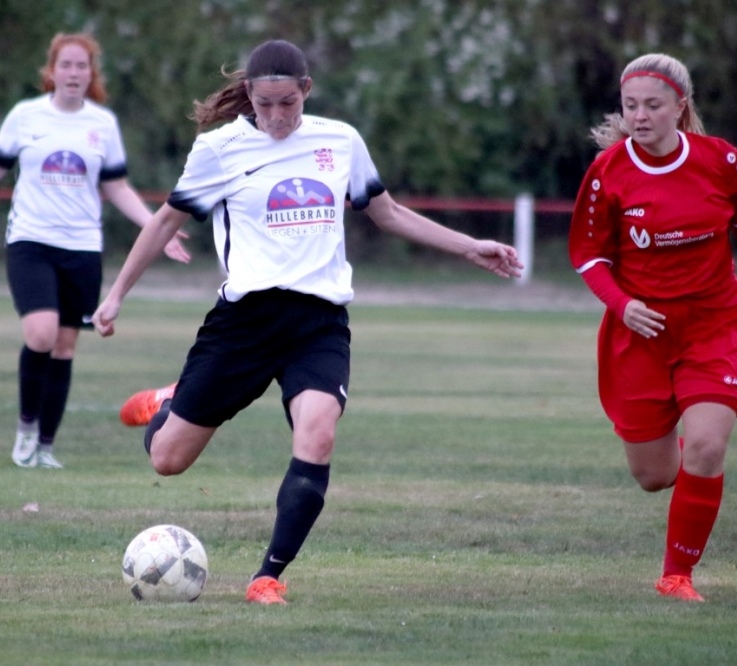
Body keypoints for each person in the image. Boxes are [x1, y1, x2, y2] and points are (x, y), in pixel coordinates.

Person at [91, 39, 523, 604]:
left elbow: (388, 213)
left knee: (317, 435)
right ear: (249, 95)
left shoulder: (340, 142)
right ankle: (169, 401)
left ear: (307, 91)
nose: (276, 116)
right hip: (245, 323)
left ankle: (267, 576)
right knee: (167, 460)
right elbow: (163, 223)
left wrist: (470, 247)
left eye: (288, 103)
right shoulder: (219, 149)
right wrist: (116, 294)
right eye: (264, 104)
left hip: (318, 322)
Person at [0, 32, 190, 469]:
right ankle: (26, 428)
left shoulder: (102, 124)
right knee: (41, 334)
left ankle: (46, 446)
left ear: (91, 74)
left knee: (64, 347)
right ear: (51, 71)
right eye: (65, 65)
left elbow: (117, 187)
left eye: (81, 66)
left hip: (82, 247)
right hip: (30, 241)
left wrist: (157, 229)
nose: (73, 73)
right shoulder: (25, 116)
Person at [569, 53, 737, 602]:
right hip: (641, 335)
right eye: (630, 105)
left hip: (713, 325)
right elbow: (587, 254)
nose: (639, 116)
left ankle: (676, 576)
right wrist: (622, 304)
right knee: (654, 476)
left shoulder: (720, 159)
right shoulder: (608, 172)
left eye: (652, 105)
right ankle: (691, 457)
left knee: (706, 447)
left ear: (680, 107)